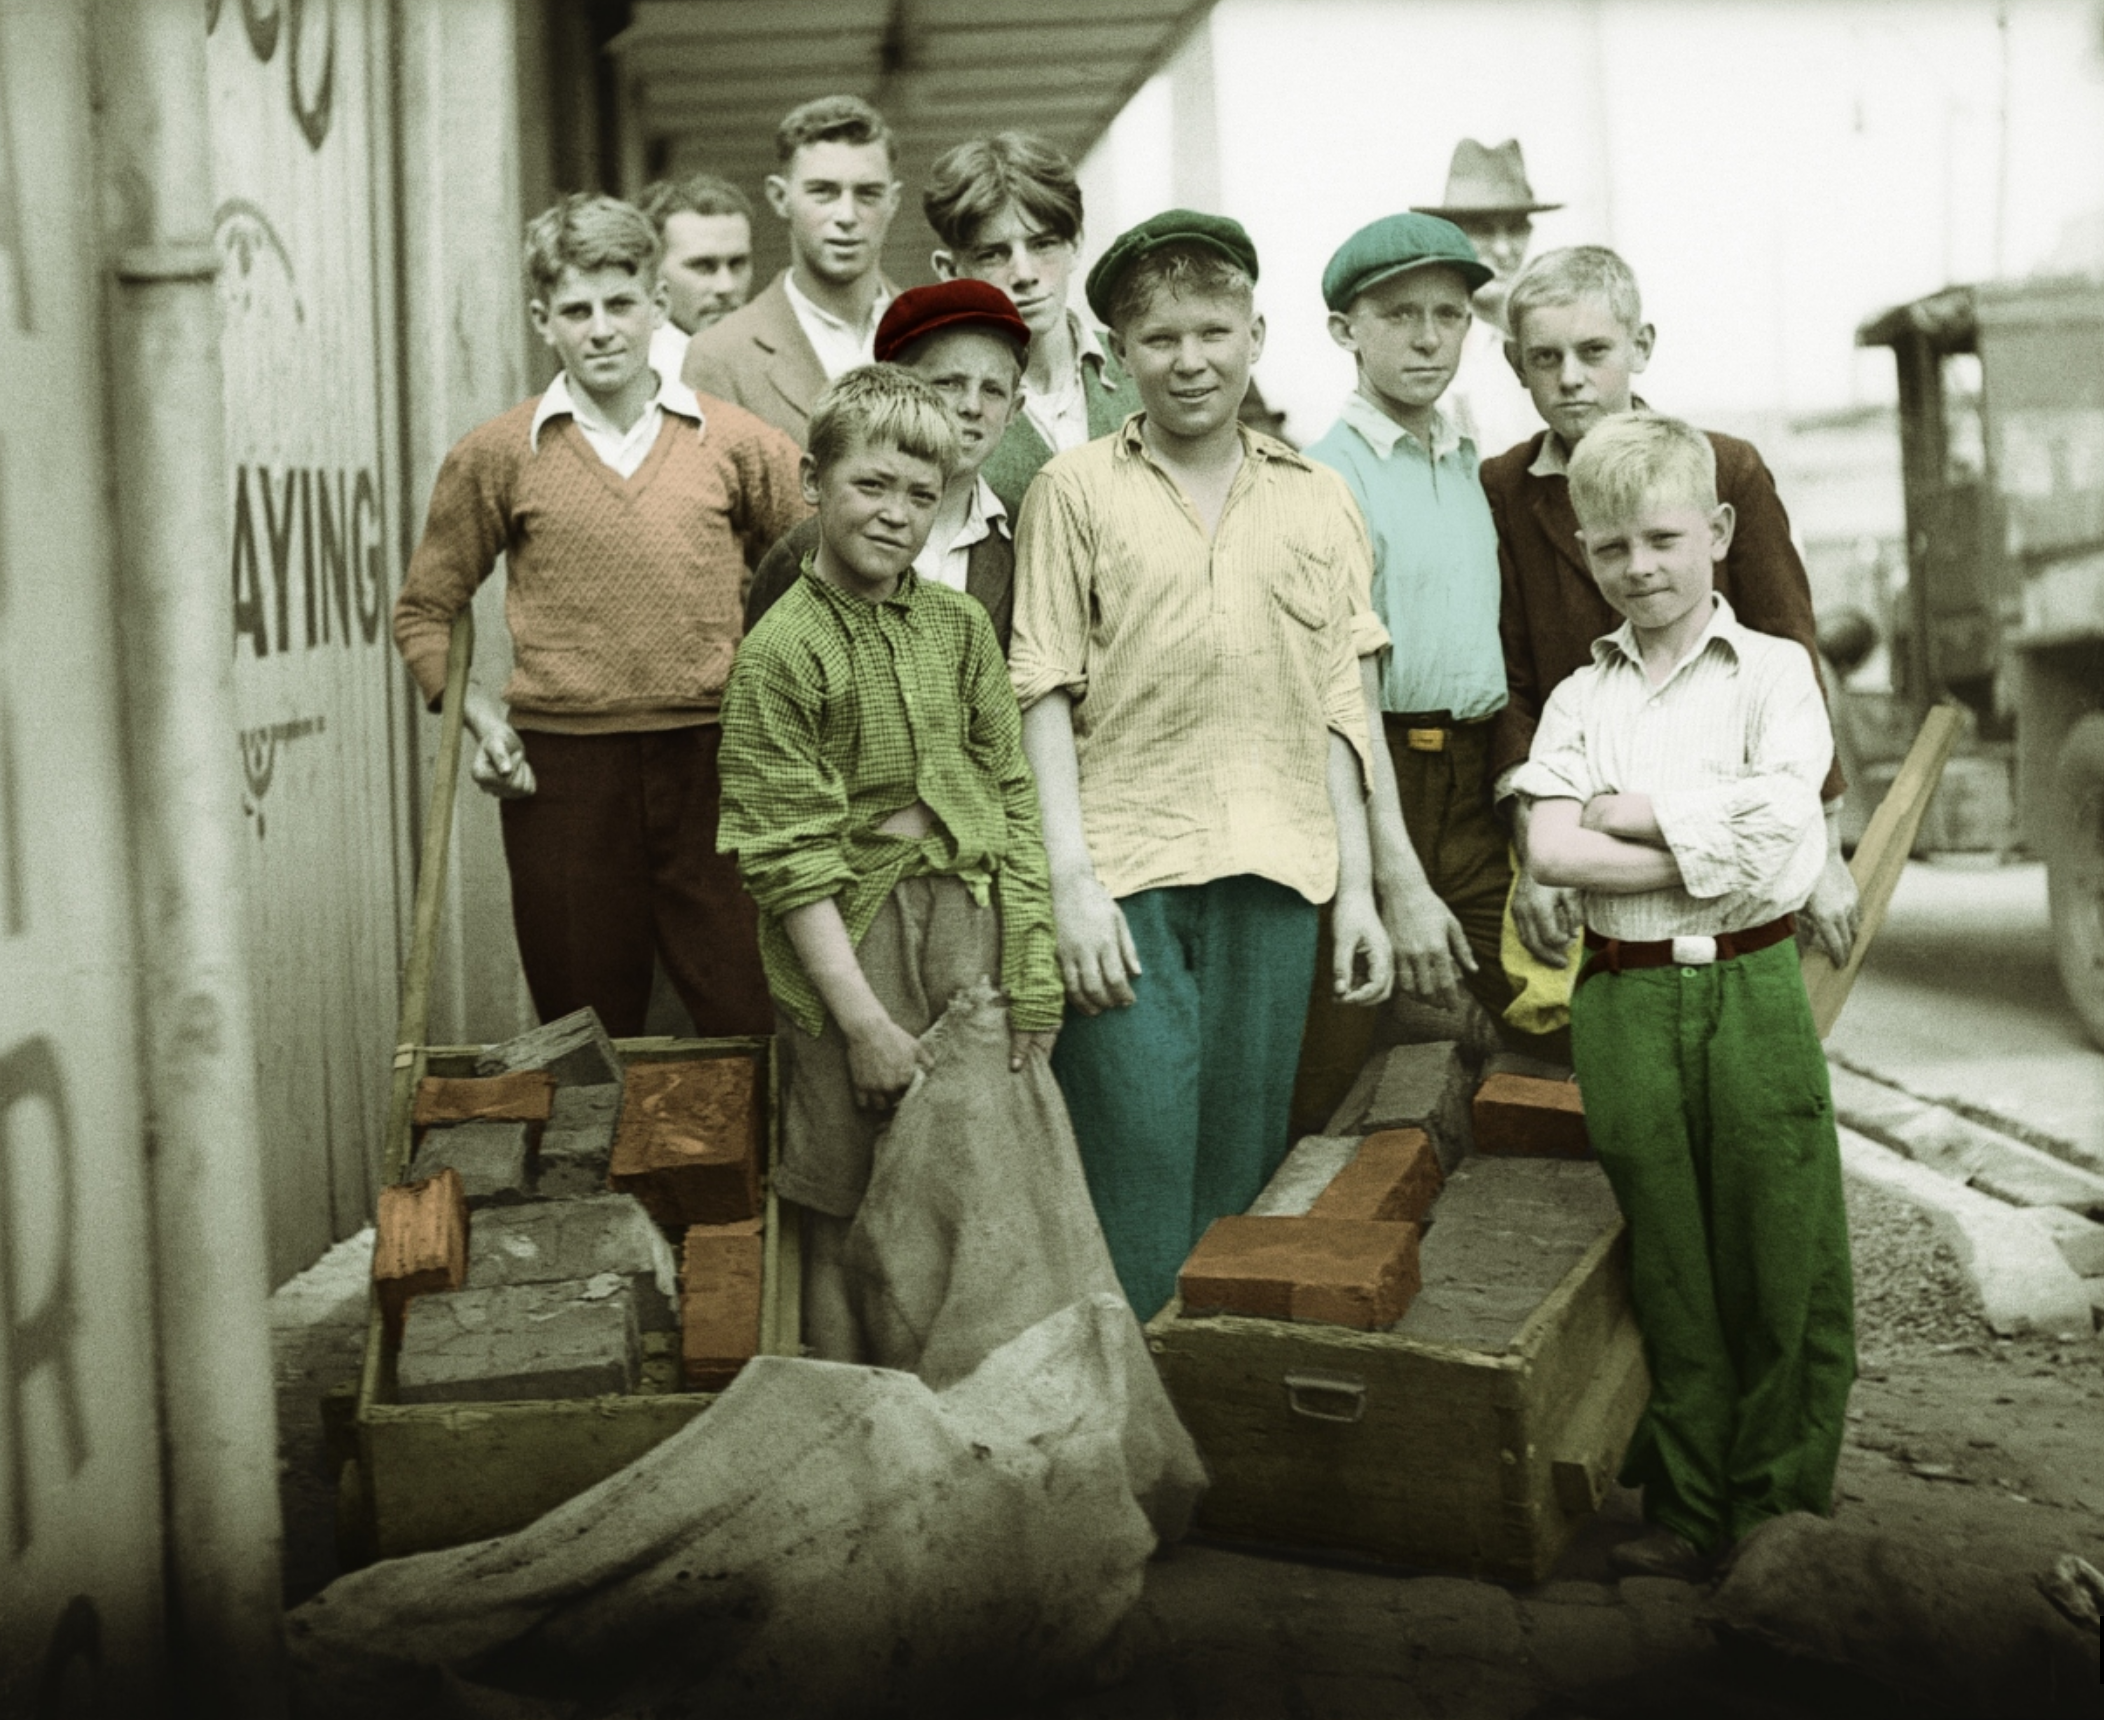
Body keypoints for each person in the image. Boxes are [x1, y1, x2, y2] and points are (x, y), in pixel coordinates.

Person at [1009, 210, 1394, 1320]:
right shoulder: (1075, 490)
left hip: (1279, 877)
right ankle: (1134, 1455)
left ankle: (1218, 1463)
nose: (1190, 359)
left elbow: (1339, 707)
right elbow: (1041, 687)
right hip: (1126, 881)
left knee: (1240, 1187)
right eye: (1160, 338)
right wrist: (1068, 886)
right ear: (1119, 357)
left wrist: (1359, 892)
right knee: (1132, 1178)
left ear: (1257, 334)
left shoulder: (1316, 496)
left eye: (1213, 331)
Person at [1509, 412, 1855, 1578]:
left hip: (1752, 985)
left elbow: (1791, 831)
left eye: (1661, 538)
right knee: (1668, 1255)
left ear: (1715, 531)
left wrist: (1635, 810)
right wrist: (1720, 838)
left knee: (1781, 1244)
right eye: (1610, 549)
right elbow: (1553, 852)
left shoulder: (1774, 673)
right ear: (1586, 552)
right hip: (1625, 996)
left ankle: (1776, 1511)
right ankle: (1688, 1504)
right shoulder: (1578, 698)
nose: (1638, 568)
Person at [392, 193, 806, 1038]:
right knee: (585, 1028)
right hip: (564, 775)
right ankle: (599, 1175)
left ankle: (751, 1176)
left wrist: (783, 708)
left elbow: (816, 574)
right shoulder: (499, 453)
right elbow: (426, 612)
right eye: (576, 311)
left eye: (621, 304)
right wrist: (480, 722)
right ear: (544, 320)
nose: (602, 329)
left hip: (716, 762)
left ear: (657, 305)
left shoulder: (734, 442)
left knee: (745, 1013)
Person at [716, 364, 1061, 1361]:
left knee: (966, 1201)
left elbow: (1011, 801)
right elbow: (787, 861)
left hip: (964, 941)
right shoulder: (782, 652)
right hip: (847, 955)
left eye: (923, 494)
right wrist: (860, 1023)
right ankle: (859, 1436)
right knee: (844, 1211)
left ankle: (963, 1433)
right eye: (872, 486)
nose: (896, 514)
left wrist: (1028, 973)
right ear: (814, 482)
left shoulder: (956, 629)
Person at [1482, 245, 1859, 981]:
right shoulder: (1506, 489)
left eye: (1594, 351)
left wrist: (1822, 848)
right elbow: (1514, 675)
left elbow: (1790, 645)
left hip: (1722, 792)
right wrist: (1536, 851)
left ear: (1641, 346)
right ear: (1514, 363)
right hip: (1587, 822)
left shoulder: (1726, 466)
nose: (1570, 378)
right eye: (1545, 356)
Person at [1288, 212, 1542, 1138]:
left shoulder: (1466, 457)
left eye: (1449, 314)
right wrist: (1395, 874)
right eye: (1399, 315)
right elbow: (1340, 699)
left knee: (1537, 1017)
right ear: (1344, 330)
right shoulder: (1326, 478)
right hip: (1378, 777)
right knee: (1354, 1052)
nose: (1430, 337)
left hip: (1478, 782)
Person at [746, 280, 1029, 651]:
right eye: (948, 383)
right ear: (897, 386)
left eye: (992, 390)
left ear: (1014, 409)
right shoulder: (809, 551)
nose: (971, 406)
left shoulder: (1025, 534)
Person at [922, 131, 1141, 513]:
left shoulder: (1143, 368)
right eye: (993, 254)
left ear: (1075, 244)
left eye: (1042, 244)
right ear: (950, 271)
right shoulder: (928, 407)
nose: (1024, 273)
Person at [684, 95, 900, 445]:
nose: (846, 216)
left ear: (894, 200)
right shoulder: (720, 356)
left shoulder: (935, 337)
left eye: (868, 193)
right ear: (779, 197)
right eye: (823, 192)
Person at [1412, 137, 1560, 462]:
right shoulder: (1425, 345)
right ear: (1449, 235)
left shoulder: (1557, 338)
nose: (1503, 249)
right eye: (1483, 230)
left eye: (1515, 229)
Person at [637, 172, 755, 384]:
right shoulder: (641, 380)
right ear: (652, 273)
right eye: (703, 266)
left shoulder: (767, 359)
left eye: (737, 264)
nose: (726, 286)